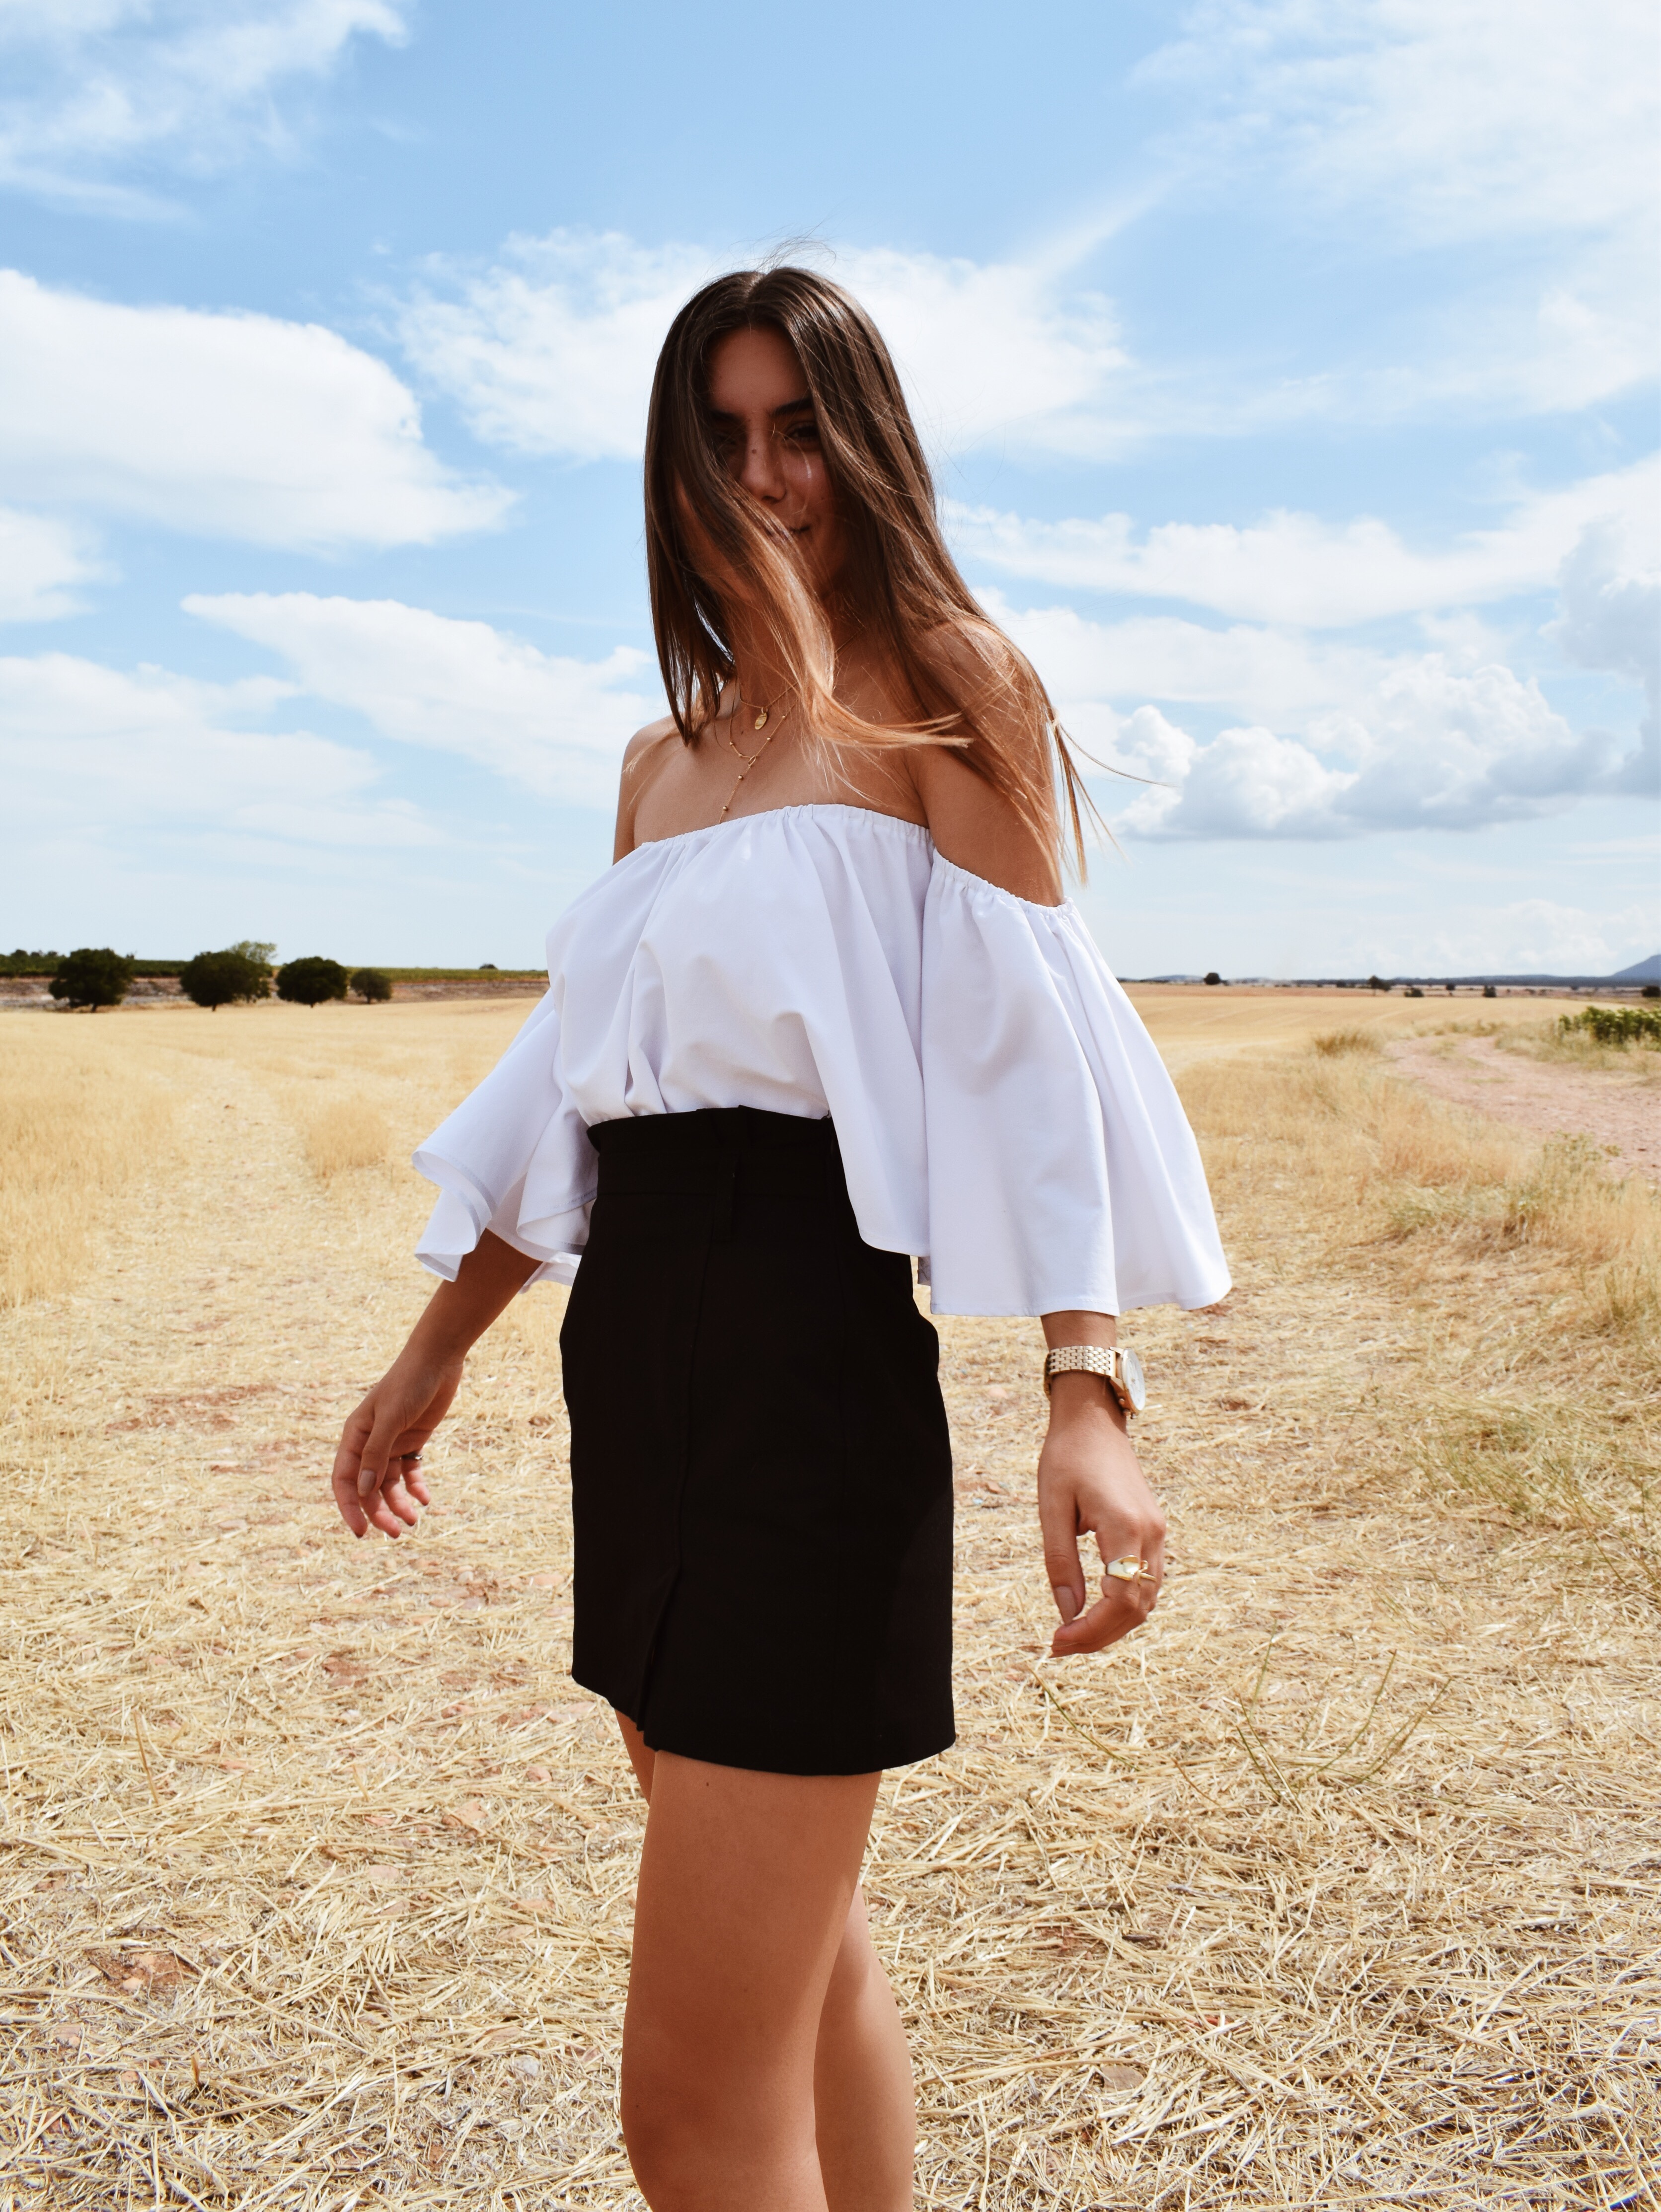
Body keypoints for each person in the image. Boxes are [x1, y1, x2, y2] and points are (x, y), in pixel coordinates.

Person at [330, 267, 1229, 2212]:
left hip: (809, 1373)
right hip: (638, 1370)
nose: (763, 475)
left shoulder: (945, 689)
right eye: (722, 435)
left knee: (688, 2119)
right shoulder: (655, 764)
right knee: (809, 1963)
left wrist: (1085, 1387)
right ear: (673, 469)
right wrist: (438, 1341)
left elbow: (1030, 1052)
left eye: (801, 429)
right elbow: (582, 1088)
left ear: (865, 444)